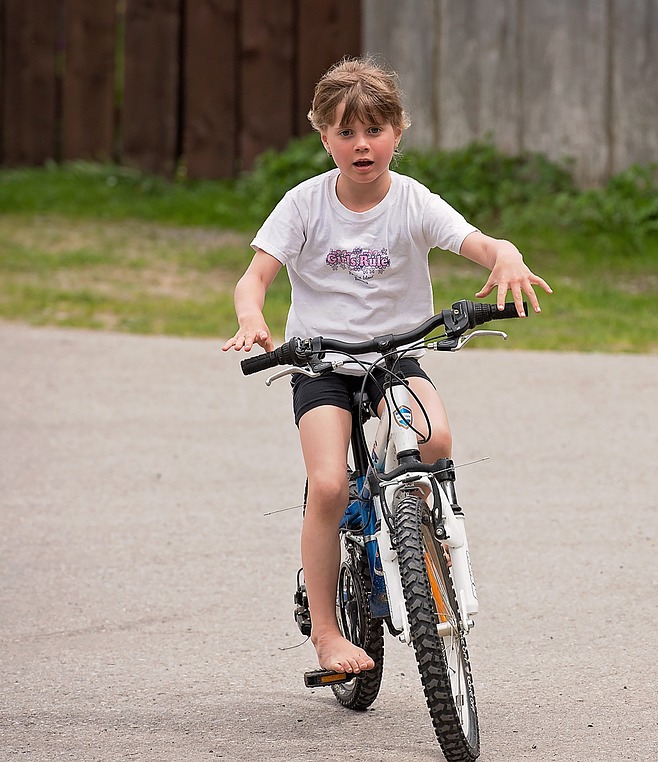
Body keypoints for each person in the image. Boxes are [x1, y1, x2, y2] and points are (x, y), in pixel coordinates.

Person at [222, 57, 552, 675]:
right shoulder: (303, 205)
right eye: (345, 132)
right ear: (323, 136)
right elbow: (255, 277)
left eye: (373, 130)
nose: (361, 144)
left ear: (398, 132)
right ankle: (326, 632)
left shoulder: (413, 202)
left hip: (394, 360)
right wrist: (252, 320)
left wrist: (504, 258)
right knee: (328, 485)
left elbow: (479, 242)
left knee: (436, 438)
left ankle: (413, 537)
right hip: (320, 364)